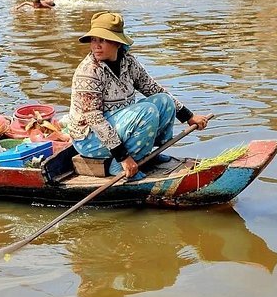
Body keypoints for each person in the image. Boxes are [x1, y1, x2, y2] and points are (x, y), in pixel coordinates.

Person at [62, 11, 210, 181]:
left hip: (120, 126)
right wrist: (123, 157)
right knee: (147, 111)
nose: (96, 46)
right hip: (90, 140)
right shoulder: (89, 71)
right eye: (94, 40)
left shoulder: (128, 62)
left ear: (117, 42)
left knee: (164, 101)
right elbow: (94, 119)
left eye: (102, 40)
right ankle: (119, 166)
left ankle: (149, 155)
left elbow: (153, 88)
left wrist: (189, 116)